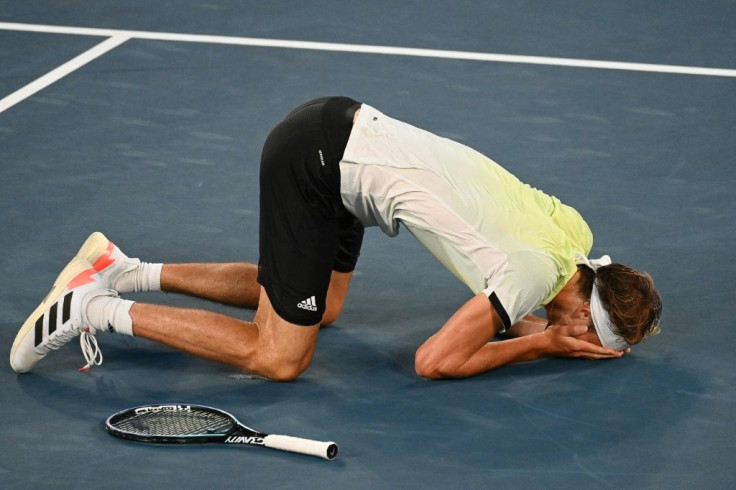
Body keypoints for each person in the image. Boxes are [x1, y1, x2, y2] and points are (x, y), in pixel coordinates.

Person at [10, 96, 662, 380]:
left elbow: (526, 308)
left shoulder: (571, 235)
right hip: (319, 165)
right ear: (582, 306)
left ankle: (120, 269)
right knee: (281, 357)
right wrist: (546, 343)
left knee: (325, 306)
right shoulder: (528, 279)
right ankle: (91, 307)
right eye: (588, 332)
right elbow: (435, 361)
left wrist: (550, 330)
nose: (581, 342)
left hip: (346, 134)